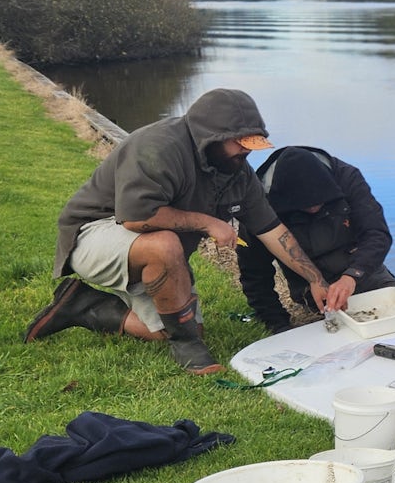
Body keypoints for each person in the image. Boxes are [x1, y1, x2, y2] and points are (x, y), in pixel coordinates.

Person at [24, 88, 331, 375]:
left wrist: (316, 279)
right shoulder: (159, 147)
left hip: (153, 250)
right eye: (240, 143)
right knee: (166, 249)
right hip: (93, 234)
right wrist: (208, 222)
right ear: (211, 138)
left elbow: (272, 230)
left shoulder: (237, 171)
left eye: (252, 144)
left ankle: (83, 306)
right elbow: (135, 218)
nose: (246, 152)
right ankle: (188, 348)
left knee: (176, 326)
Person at [235, 145, 395, 333]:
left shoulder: (347, 178)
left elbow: (377, 234)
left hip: (362, 271)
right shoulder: (258, 202)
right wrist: (278, 325)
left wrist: (352, 276)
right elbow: (254, 273)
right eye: (305, 207)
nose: (314, 209)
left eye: (321, 203)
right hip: (312, 287)